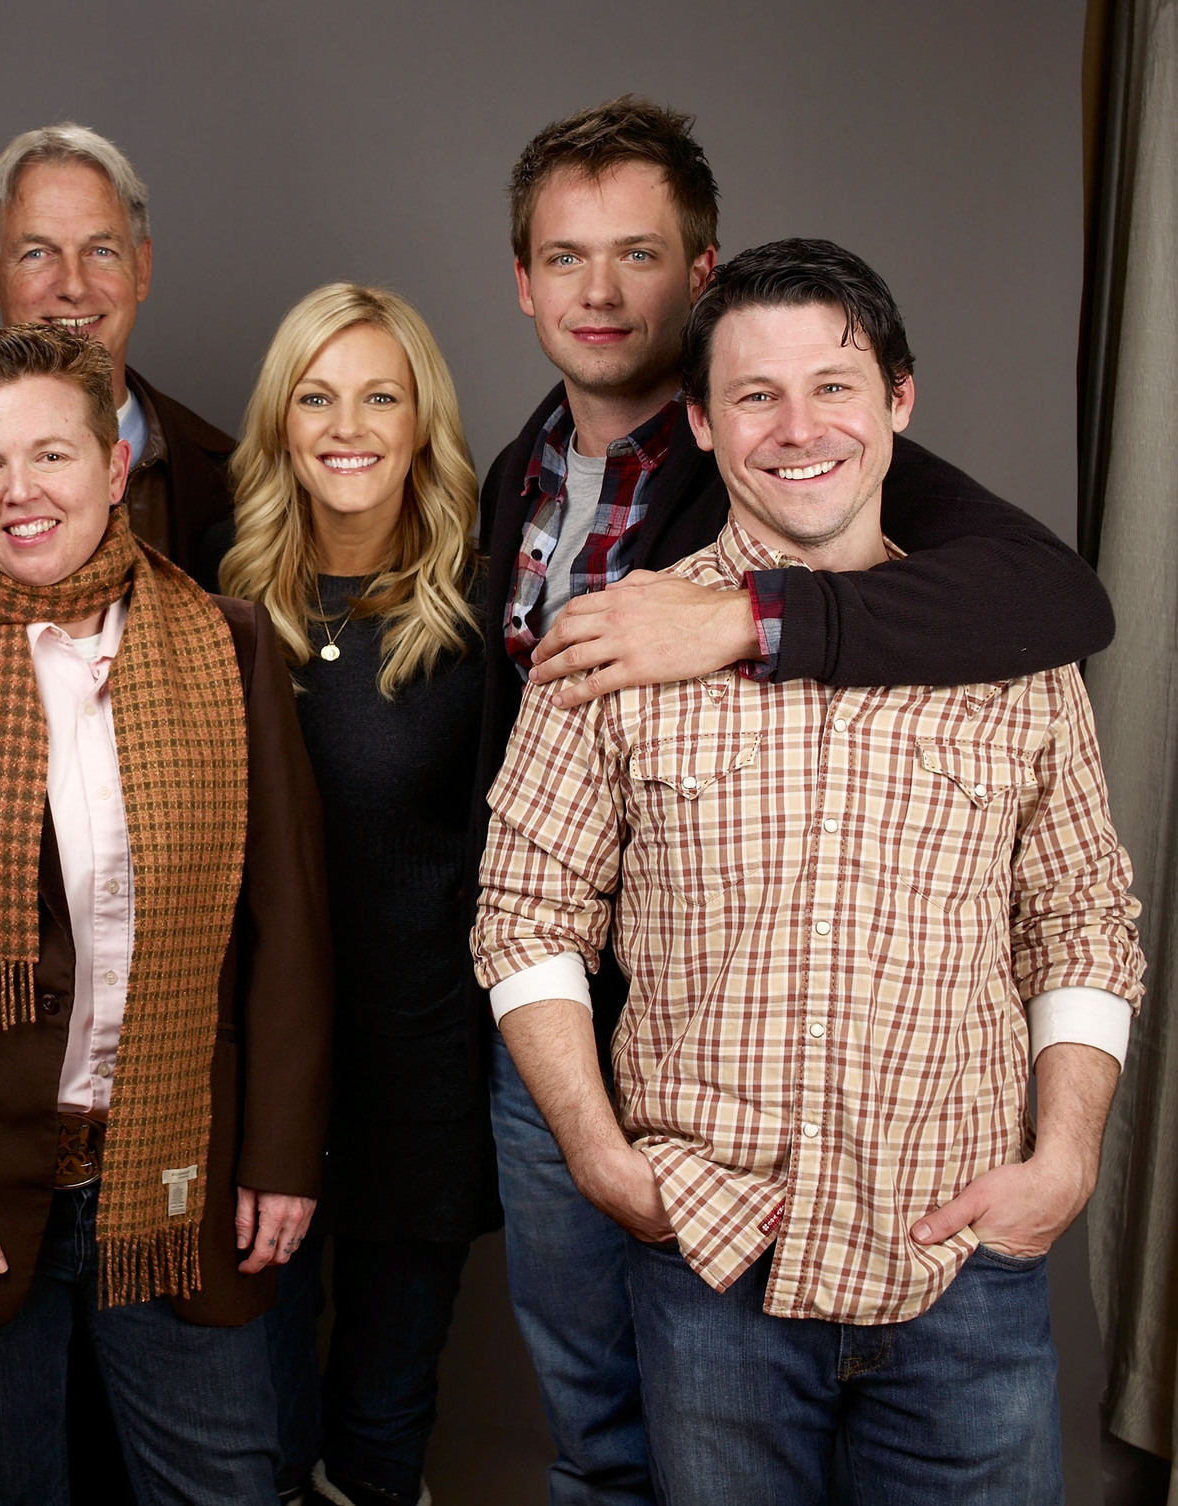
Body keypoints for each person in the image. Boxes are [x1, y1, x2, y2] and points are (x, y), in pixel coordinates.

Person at [472, 97, 1121, 1503]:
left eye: (636, 253)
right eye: (755, 397)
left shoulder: (985, 624)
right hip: (695, 1209)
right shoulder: (526, 491)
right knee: (605, 1442)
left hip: (953, 1247)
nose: (797, 425)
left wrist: (1061, 1160)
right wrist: (600, 1145)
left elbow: (1083, 910)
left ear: (897, 396)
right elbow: (522, 896)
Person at [0, 323, 331, 1506]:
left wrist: (279, 1154)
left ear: (113, 461)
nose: (18, 494)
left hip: (181, 1170)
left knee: (225, 1487)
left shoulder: (231, 643)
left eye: (49, 456)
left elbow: (290, 927)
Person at [219, 284, 496, 1506]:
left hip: (418, 1078)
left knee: (379, 1431)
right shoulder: (216, 619)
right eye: (316, 396)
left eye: (379, 395)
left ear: (422, 424)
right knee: (257, 1431)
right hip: (256, 1085)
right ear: (280, 424)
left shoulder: (483, 628)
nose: (347, 424)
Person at [0, 123, 237, 625]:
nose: (73, 285)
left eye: (101, 250)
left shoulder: (235, 482)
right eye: (37, 253)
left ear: (141, 267)